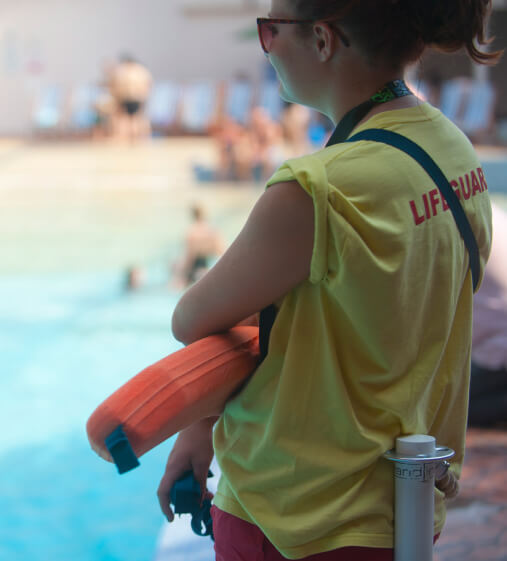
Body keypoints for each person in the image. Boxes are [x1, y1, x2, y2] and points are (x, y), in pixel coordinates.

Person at [157, 1, 500, 560]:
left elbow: (190, 319)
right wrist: (201, 428)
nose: (265, 47)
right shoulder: (453, 151)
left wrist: (200, 417)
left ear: (323, 39)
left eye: (271, 30)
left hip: (296, 517)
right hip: (404, 501)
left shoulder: (313, 191)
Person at [469, 202, 507, 427]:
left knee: (453, 410)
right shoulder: (491, 208)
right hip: (497, 341)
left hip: (496, 348)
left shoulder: (444, 219)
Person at [171, 204, 225, 289]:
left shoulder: (192, 233)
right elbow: (222, 252)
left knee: (173, 266)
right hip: (210, 267)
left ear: (192, 216)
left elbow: (189, 257)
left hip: (196, 269)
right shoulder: (212, 231)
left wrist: (180, 275)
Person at [109, 54, 153, 141]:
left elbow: (115, 84)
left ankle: (138, 135)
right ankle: (130, 136)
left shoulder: (127, 71)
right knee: (130, 118)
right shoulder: (139, 71)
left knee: (135, 117)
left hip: (132, 96)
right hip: (130, 96)